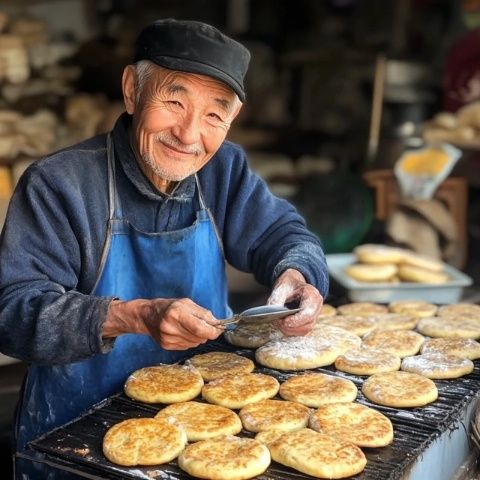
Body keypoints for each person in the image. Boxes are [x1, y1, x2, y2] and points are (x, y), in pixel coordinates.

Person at [0, 19, 328, 479]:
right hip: (75, 441)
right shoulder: (61, 185)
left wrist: (298, 275)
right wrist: (135, 316)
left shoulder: (223, 171)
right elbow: (12, 312)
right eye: (174, 101)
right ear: (133, 91)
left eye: (215, 115)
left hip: (203, 436)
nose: (190, 134)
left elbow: (285, 235)